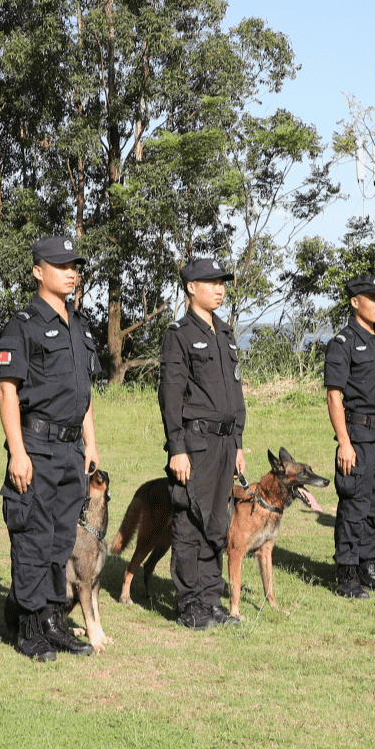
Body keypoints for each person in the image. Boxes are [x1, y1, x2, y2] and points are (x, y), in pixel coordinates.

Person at [0, 235, 102, 660]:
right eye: (61, 266)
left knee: (61, 539)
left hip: (71, 449)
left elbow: (85, 391)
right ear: (39, 271)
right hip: (36, 445)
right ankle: (28, 626)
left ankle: (53, 620)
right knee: (33, 537)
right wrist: (18, 453)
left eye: (74, 265)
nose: (71, 272)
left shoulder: (79, 324)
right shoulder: (23, 324)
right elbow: (7, 391)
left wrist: (90, 442)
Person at [158, 256, 247, 629]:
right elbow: (171, 394)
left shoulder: (225, 332)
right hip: (195, 444)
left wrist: (239, 443)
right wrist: (176, 447)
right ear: (191, 287)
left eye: (222, 281)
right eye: (211, 282)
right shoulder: (178, 334)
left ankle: (211, 599)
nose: (220, 288)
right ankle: (190, 603)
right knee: (191, 520)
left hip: (226, 445)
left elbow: (235, 393)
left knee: (216, 523)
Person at [324, 274, 375, 598]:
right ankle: (347, 574)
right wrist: (344, 442)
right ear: (355, 302)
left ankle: (369, 567)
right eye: (372, 298)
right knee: (354, 505)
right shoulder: (342, 343)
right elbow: (334, 395)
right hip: (358, 435)